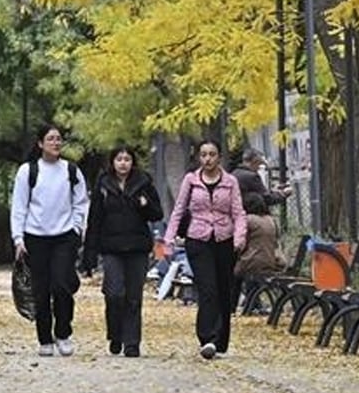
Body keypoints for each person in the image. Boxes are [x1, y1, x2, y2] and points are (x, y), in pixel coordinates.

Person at [163, 139, 247, 360]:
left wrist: (239, 237)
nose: (208, 159)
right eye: (203, 155)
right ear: (198, 158)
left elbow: (238, 212)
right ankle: (207, 337)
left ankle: (221, 341)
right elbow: (179, 210)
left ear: (219, 157)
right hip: (198, 239)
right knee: (207, 287)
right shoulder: (191, 180)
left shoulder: (230, 182)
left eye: (212, 154)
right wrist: (169, 239)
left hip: (224, 239)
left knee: (223, 289)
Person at [10, 123, 89, 357]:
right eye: (50, 138)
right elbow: (19, 206)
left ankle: (63, 332)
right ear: (40, 143)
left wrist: (77, 228)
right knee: (41, 290)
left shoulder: (71, 170)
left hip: (64, 236)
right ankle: (44, 338)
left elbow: (81, 201)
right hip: (35, 237)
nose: (55, 142)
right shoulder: (28, 171)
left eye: (58, 139)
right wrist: (18, 238)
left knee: (62, 286)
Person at [80, 145, 163, 358]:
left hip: (137, 246)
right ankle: (115, 334)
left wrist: (144, 205)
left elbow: (157, 214)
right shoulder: (103, 184)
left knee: (134, 297)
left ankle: (132, 342)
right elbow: (95, 218)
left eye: (127, 159)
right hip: (111, 247)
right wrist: (89, 254)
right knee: (114, 293)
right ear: (113, 162)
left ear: (132, 162)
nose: (123, 163)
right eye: (119, 159)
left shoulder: (143, 183)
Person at [234, 192, 284, 314]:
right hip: (270, 262)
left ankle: (236, 305)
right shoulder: (270, 220)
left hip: (251, 262)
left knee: (233, 273)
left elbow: (240, 243)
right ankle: (253, 303)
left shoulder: (248, 220)